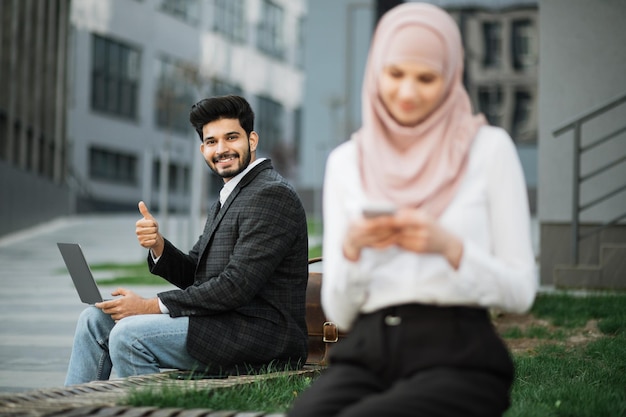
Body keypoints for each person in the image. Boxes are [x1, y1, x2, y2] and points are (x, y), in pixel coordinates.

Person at [287, 3, 537, 417]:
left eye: (426, 78)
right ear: (376, 71)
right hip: (367, 350)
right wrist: (349, 253)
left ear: (452, 76)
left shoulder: (489, 150)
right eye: (395, 74)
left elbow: (521, 290)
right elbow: (342, 309)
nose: (407, 92)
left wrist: (450, 248)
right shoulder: (349, 161)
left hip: (459, 352)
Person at [65, 95, 309, 385]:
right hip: (220, 322)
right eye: (211, 141)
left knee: (129, 337)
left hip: (259, 336)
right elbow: (196, 273)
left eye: (231, 138)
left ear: (252, 140)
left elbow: (236, 286)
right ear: (203, 148)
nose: (221, 149)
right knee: (94, 321)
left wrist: (148, 306)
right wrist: (158, 245)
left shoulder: (270, 194)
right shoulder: (231, 196)